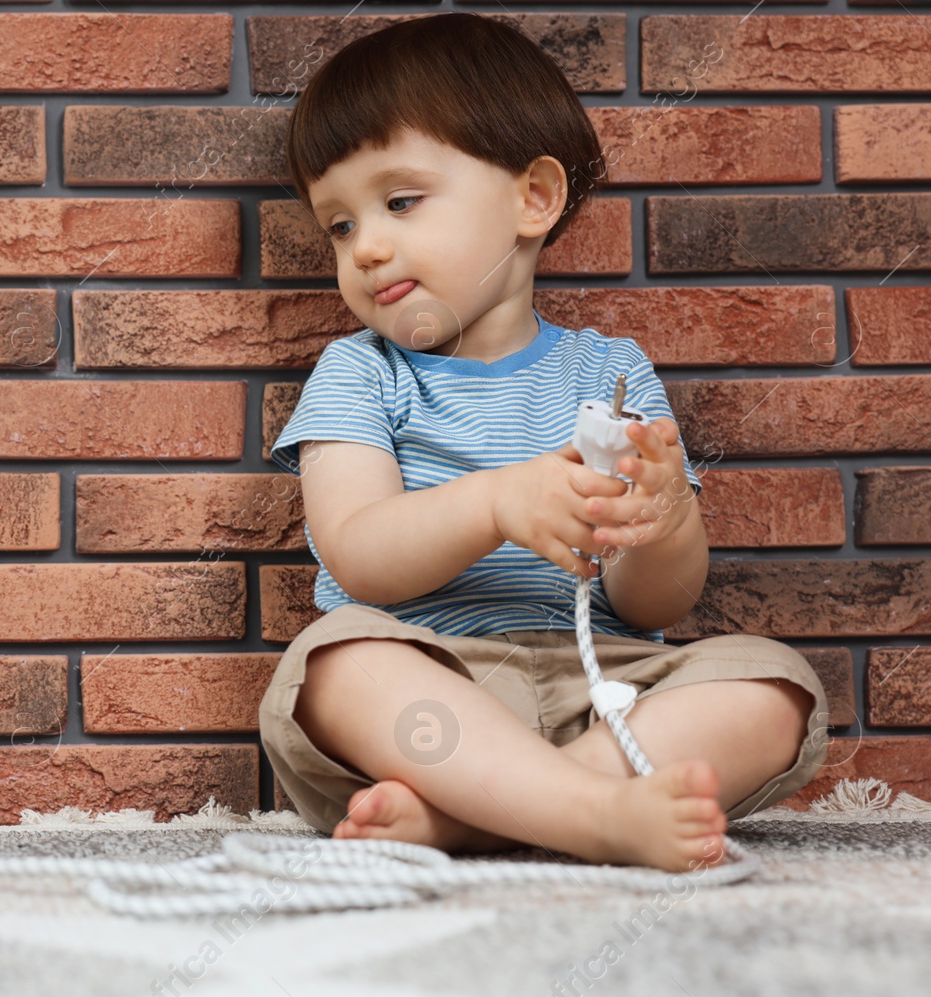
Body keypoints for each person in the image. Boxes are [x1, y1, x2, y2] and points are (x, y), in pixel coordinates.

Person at [260, 12, 829, 873]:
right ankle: (589, 811)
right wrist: (497, 502)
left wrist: (663, 521)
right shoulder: (359, 373)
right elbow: (361, 555)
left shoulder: (611, 372)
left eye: (399, 202)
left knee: (776, 687)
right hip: (438, 697)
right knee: (333, 669)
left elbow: (654, 605)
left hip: (607, 690)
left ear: (533, 199)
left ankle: (487, 818)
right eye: (338, 226)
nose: (367, 248)